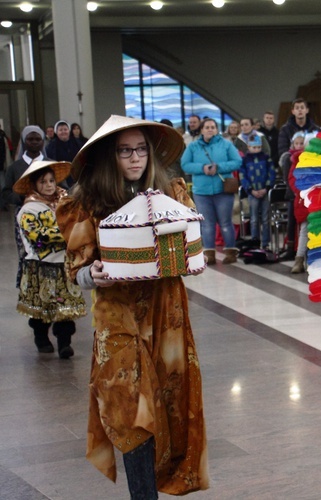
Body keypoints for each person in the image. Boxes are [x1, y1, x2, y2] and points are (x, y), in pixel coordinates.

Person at [56, 115, 209, 497]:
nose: (135, 158)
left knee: (169, 404)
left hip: (165, 314)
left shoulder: (172, 194)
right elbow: (75, 269)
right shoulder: (88, 203)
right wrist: (94, 272)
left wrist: (185, 257)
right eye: (125, 151)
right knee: (129, 408)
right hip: (118, 316)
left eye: (141, 149)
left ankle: (157, 486)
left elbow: (193, 251)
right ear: (112, 157)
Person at [13, 160, 85, 357]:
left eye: (51, 180)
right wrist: (67, 232)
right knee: (41, 307)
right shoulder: (28, 210)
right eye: (43, 182)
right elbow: (37, 238)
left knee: (65, 307)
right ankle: (41, 337)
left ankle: (64, 343)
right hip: (39, 266)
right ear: (34, 185)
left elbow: (78, 223)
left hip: (63, 264)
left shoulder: (65, 203)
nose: (49, 185)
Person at [181, 117, 242, 264]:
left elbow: (237, 161)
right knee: (207, 224)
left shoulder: (226, 145)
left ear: (216, 130)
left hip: (223, 190)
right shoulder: (193, 146)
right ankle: (209, 254)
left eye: (212, 127)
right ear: (201, 130)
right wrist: (202, 168)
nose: (210, 129)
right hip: (202, 191)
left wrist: (219, 167)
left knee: (225, 222)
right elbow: (185, 164)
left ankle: (231, 252)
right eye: (207, 127)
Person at [4, 126, 47, 287]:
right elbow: (6, 192)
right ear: (24, 141)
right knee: (28, 250)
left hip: (49, 214)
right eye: (31, 139)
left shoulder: (51, 164)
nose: (34, 142)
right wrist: (21, 197)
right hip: (25, 215)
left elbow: (63, 187)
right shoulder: (15, 168)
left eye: (38, 139)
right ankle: (29, 284)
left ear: (43, 142)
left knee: (49, 249)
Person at [277, 98, 320, 258]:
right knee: (294, 215)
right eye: (297, 108)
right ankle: (290, 248)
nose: (300, 110)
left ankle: (315, 248)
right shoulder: (285, 130)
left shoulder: (315, 129)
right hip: (293, 179)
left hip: (312, 175)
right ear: (293, 111)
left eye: (303, 107)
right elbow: (282, 153)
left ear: (307, 110)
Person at [239, 132, 275, 250]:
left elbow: (271, 173)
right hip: (252, 192)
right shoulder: (245, 160)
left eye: (258, 147)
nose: (256, 149)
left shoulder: (266, 158)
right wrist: (250, 189)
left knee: (265, 218)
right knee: (254, 219)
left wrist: (267, 188)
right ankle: (255, 241)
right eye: (254, 147)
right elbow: (243, 176)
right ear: (248, 147)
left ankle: (265, 243)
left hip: (264, 191)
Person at [282, 131, 310, 273]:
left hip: (320, 202)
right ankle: (299, 260)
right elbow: (293, 180)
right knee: (304, 231)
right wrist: (304, 190)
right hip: (303, 200)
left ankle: (315, 261)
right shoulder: (297, 160)